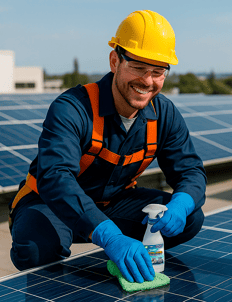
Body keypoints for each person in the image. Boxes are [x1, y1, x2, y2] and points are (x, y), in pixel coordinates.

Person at [8, 10, 206, 283]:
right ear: (115, 61)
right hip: (52, 203)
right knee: (35, 250)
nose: (147, 81)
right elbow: (55, 176)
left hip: (114, 203)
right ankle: (104, 244)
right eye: (138, 67)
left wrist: (182, 204)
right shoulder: (73, 108)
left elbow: (191, 172)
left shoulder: (164, 114)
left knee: (191, 218)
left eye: (158, 72)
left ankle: (126, 253)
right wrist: (109, 236)